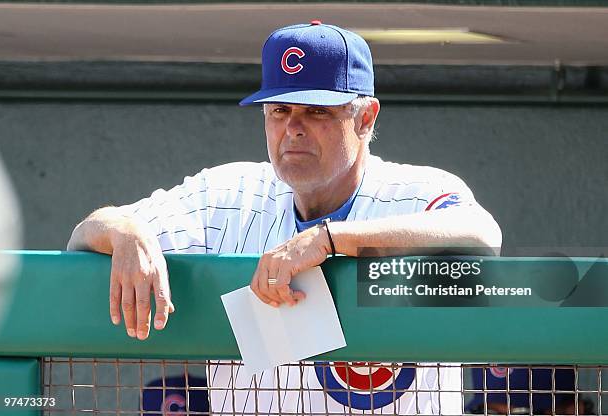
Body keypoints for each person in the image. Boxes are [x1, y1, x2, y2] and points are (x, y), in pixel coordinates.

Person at [68, 21, 502, 414]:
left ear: (365, 118)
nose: (293, 128)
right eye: (279, 110)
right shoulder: (226, 194)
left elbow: (482, 235)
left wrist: (329, 239)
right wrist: (125, 231)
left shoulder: (413, 193)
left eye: (316, 111)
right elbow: (85, 235)